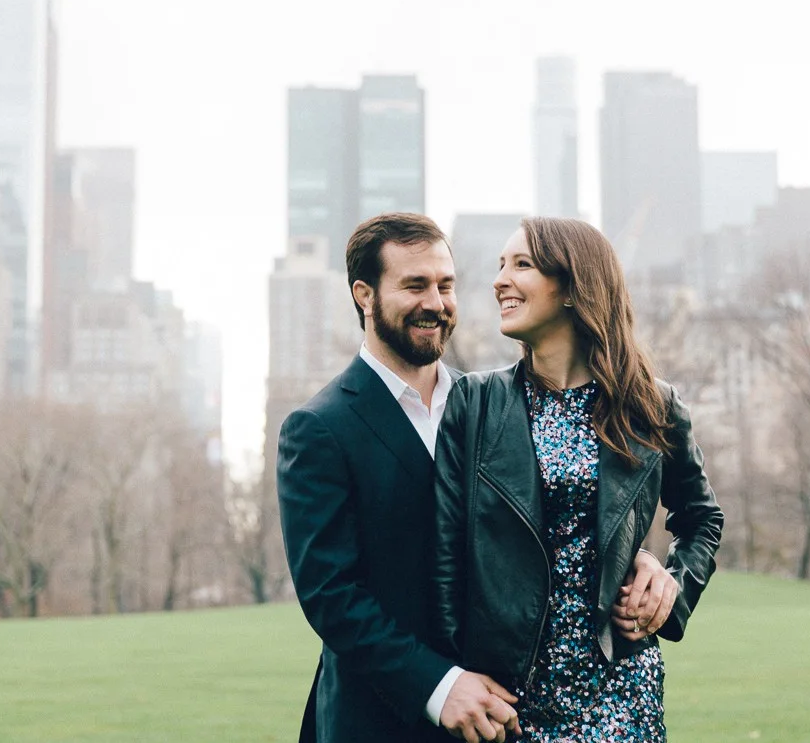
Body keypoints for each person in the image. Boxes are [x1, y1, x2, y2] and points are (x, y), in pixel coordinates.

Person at [434, 216, 723, 743]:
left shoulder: (651, 406)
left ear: (572, 288)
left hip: (621, 694)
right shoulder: (474, 404)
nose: (500, 279)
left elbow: (702, 518)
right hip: (507, 700)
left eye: (521, 264)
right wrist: (456, 673)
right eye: (500, 265)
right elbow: (445, 557)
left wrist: (671, 583)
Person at [276, 213, 520, 742]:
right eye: (415, 285)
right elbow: (331, 597)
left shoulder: (491, 406)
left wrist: (643, 560)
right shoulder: (318, 429)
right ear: (364, 295)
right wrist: (439, 686)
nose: (435, 302)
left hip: (496, 717)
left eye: (445, 285)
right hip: (377, 723)